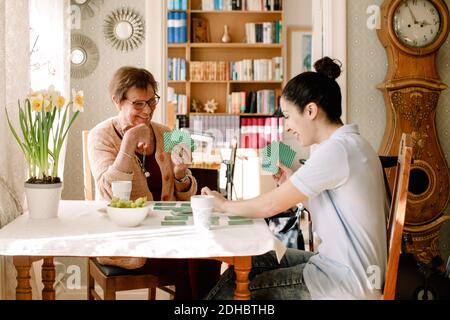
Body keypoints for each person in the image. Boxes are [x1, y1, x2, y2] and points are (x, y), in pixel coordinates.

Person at [202, 57, 388, 300]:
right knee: (245, 263)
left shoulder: (338, 150)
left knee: (232, 290)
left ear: (310, 110)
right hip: (341, 268)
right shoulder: (343, 145)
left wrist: (222, 204)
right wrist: (291, 180)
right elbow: (332, 209)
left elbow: (270, 206)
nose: (286, 126)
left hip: (346, 282)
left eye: (288, 116)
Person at [88, 66, 220, 299]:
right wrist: (128, 143)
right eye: (138, 104)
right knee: (192, 257)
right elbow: (109, 192)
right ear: (117, 101)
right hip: (126, 239)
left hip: (166, 232)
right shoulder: (101, 135)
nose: (148, 110)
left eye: (152, 101)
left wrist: (181, 174)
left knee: (207, 249)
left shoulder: (164, 132)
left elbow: (185, 200)